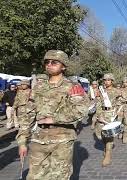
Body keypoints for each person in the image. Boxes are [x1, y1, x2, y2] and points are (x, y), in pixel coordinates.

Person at [16, 50, 89, 180]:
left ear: (63, 66)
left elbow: (80, 110)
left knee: (59, 177)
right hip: (38, 139)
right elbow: (27, 114)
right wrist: (22, 141)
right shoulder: (38, 87)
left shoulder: (72, 86)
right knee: (34, 177)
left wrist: (54, 119)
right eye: (47, 62)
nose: (49, 65)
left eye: (54, 62)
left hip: (62, 140)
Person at [94, 73, 122, 166]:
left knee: (109, 135)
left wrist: (118, 111)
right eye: (105, 80)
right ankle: (106, 148)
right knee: (100, 135)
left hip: (111, 114)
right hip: (102, 113)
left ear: (112, 81)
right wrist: (99, 115)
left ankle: (108, 154)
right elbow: (97, 103)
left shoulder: (117, 91)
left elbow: (120, 102)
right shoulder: (101, 91)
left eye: (108, 80)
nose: (106, 82)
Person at [119, 77, 127, 143]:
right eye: (124, 82)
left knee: (126, 121)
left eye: (126, 82)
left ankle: (125, 135)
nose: (125, 83)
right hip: (121, 106)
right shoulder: (120, 89)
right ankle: (121, 132)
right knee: (119, 121)